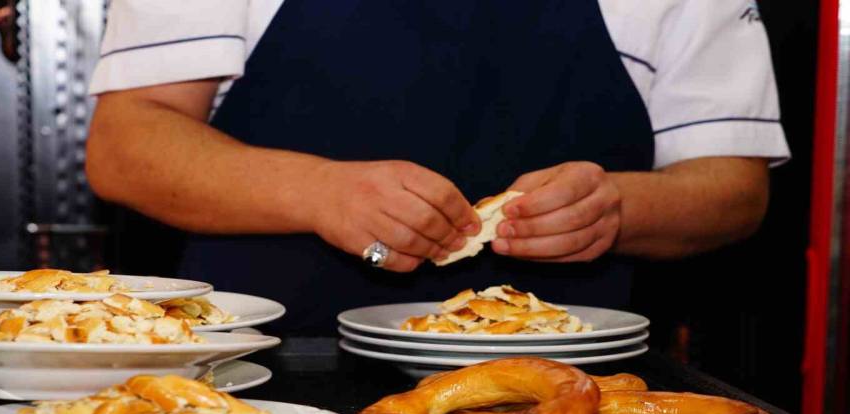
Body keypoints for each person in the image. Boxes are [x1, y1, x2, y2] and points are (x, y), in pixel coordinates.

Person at [85, 0, 790, 333]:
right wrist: (318, 192)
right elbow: (127, 143)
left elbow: (732, 188)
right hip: (261, 393)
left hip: (572, 401)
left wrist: (615, 209)